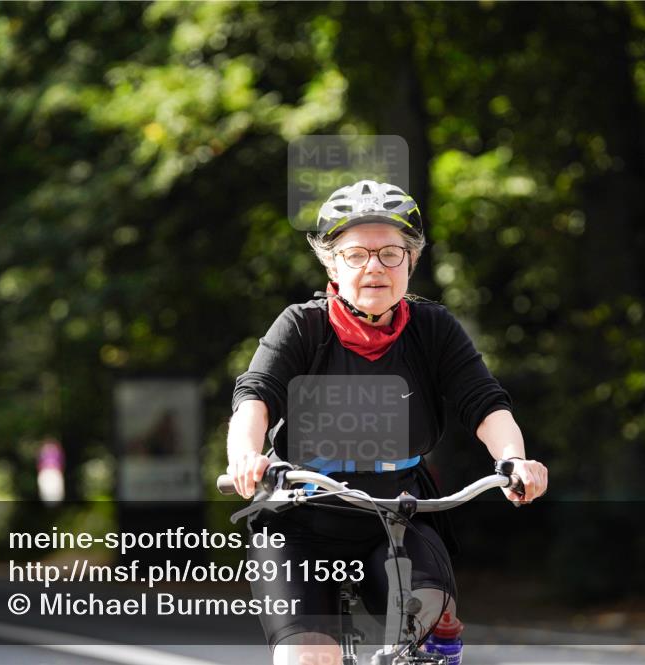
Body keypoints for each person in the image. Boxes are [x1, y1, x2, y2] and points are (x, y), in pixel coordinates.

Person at [227, 179, 548, 665]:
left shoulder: (432, 328)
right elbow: (255, 396)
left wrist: (514, 460)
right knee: (307, 657)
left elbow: (484, 402)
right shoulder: (301, 326)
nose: (374, 267)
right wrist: (246, 457)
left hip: (400, 511)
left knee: (430, 617)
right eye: (356, 254)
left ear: (411, 261)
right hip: (300, 519)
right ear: (332, 263)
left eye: (390, 253)